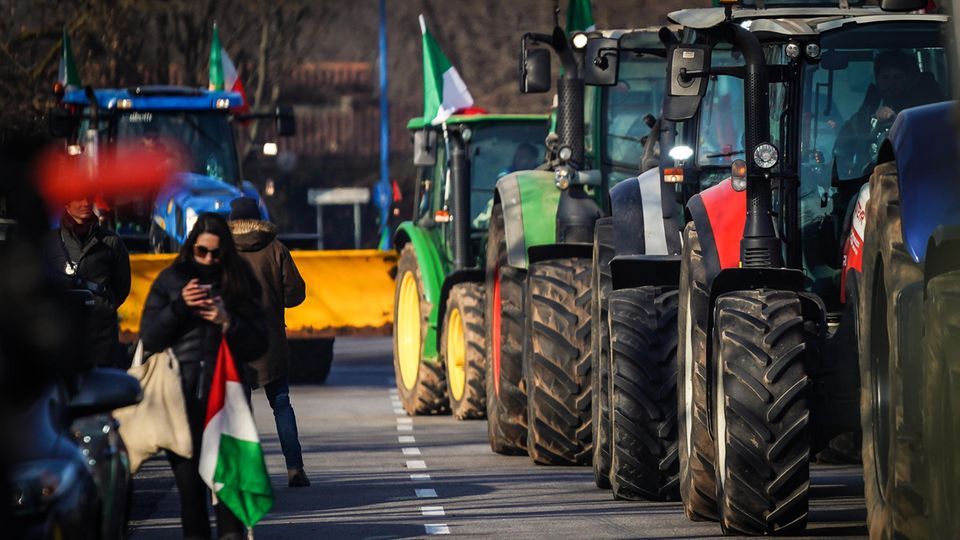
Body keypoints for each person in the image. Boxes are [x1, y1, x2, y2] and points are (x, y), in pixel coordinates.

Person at [139, 212, 267, 540]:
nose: (209, 259)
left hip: (227, 403)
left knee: (228, 496)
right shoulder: (171, 281)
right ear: (191, 247)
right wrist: (180, 306)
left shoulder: (239, 282)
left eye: (216, 253)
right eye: (202, 251)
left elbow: (259, 344)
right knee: (191, 496)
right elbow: (150, 339)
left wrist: (228, 322)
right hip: (178, 404)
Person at [227, 197, 310, 488]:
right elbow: (295, 293)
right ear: (258, 218)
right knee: (281, 403)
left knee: (240, 409)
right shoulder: (276, 249)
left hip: (235, 343)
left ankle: (246, 474)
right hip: (270, 342)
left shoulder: (223, 253)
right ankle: (294, 467)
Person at [45, 195, 131, 367]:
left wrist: (103, 305)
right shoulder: (49, 242)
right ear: (66, 202)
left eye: (89, 198)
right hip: (62, 332)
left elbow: (122, 287)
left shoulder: (111, 241)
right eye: (78, 198)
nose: (85, 203)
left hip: (101, 335)